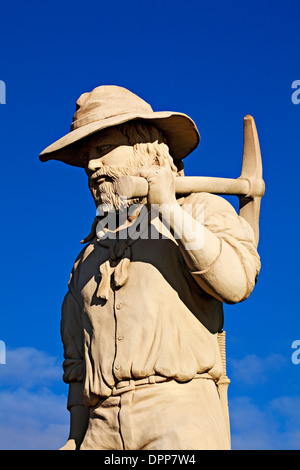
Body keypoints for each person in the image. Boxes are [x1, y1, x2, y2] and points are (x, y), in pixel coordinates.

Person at [39, 85, 261, 450]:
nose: (92, 165)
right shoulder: (88, 257)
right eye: (87, 157)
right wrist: (75, 437)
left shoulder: (197, 210)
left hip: (178, 414)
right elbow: (77, 362)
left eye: (103, 149)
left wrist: (169, 211)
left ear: (146, 149)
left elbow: (236, 284)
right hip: (100, 424)